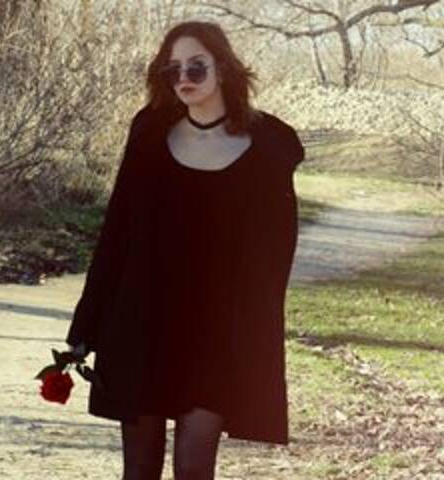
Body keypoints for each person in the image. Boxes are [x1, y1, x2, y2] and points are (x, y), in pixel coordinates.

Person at [65, 20, 305, 480]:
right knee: (139, 470)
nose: (184, 79)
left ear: (224, 69)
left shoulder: (267, 150)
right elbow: (116, 235)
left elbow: (273, 263)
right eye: (172, 70)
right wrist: (87, 327)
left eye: (196, 67)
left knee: (195, 469)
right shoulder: (150, 135)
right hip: (141, 325)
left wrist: (253, 341)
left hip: (214, 336)